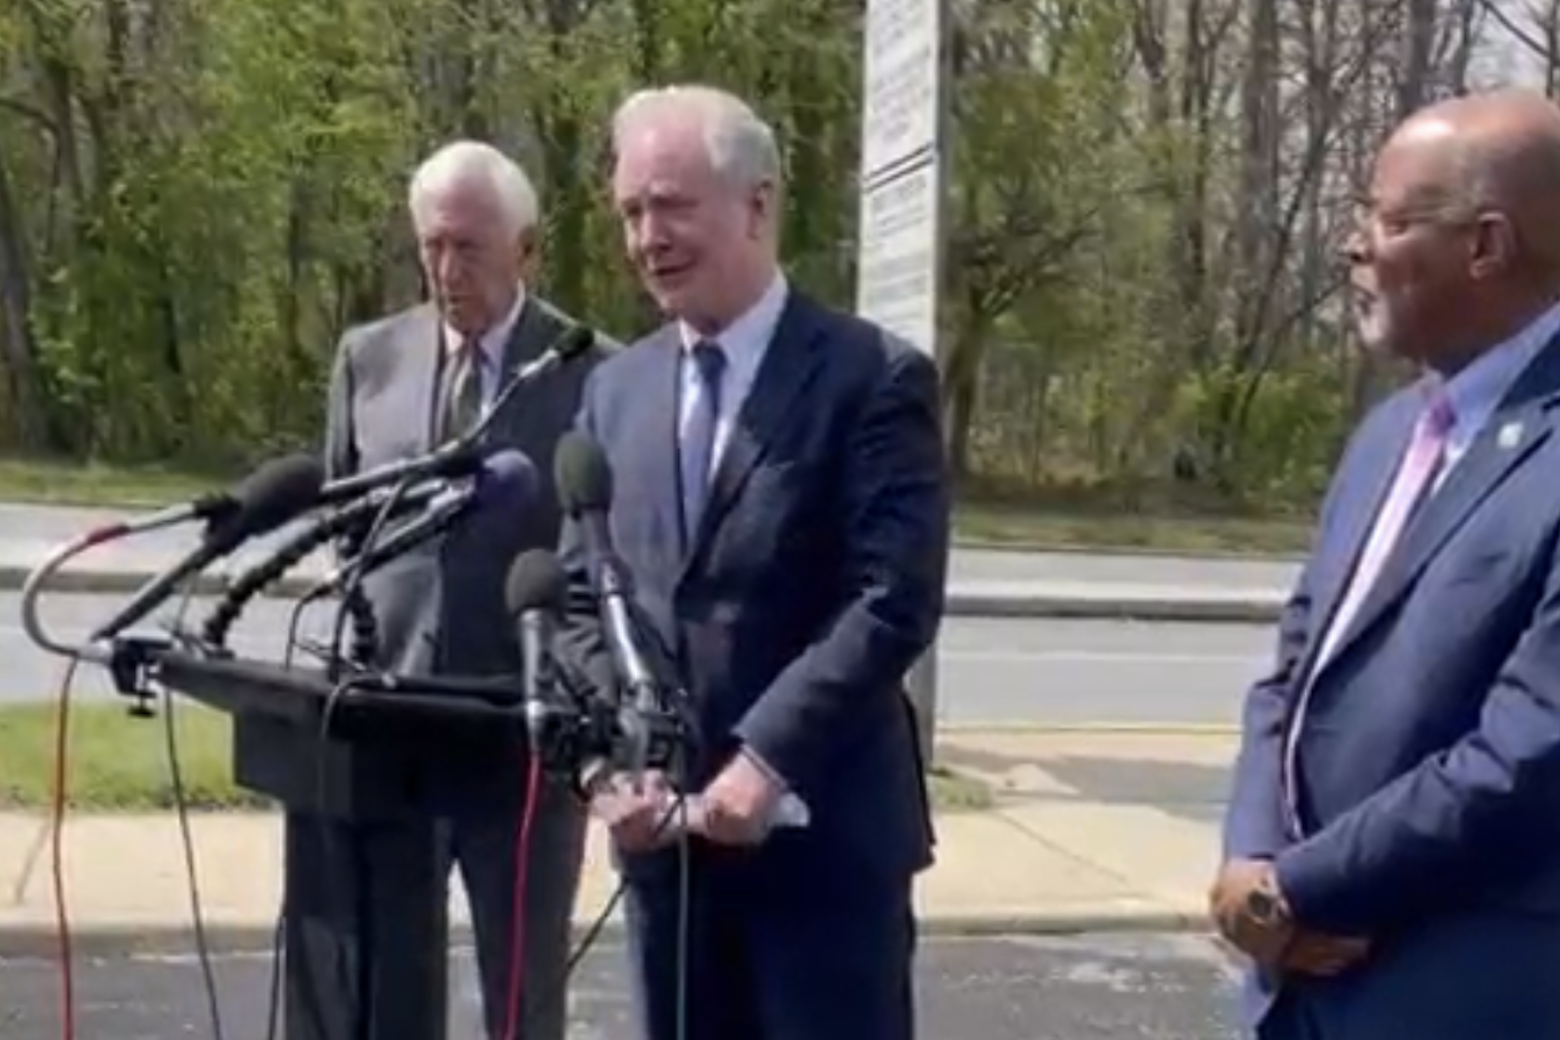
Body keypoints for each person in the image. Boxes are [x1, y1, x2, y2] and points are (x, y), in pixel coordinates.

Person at [554, 84, 949, 1040]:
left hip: (823, 862)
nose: (648, 237)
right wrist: (612, 764)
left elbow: (891, 598)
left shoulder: (873, 378)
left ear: (758, 205)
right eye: (631, 212)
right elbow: (578, 597)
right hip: (669, 867)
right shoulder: (613, 391)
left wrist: (765, 759)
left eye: (671, 206)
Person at [1212, 88, 1560, 1040]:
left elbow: (1529, 755)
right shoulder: (1392, 430)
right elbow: (1293, 670)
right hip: (1295, 979)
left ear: (1486, 245)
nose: (1353, 246)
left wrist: (1296, 887)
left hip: (1460, 986)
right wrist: (1252, 861)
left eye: (1389, 219)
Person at [323, 139, 611, 1039]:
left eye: (471, 249)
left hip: (522, 741)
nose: (448, 271)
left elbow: (604, 561)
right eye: (432, 247)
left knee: (522, 997)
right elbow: (343, 529)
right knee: (388, 991)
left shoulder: (594, 373)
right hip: (393, 730)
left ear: (526, 250)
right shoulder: (367, 357)